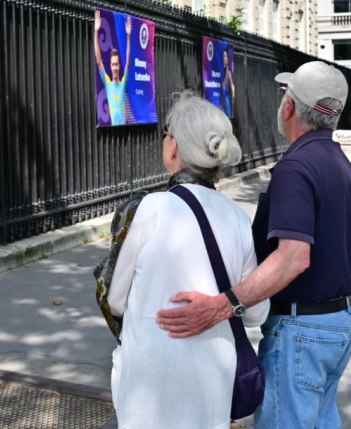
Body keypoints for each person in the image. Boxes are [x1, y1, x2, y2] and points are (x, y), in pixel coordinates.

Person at [156, 61, 351, 429]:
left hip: (304, 331)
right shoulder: (338, 160)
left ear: (289, 107)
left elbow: (294, 257)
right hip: (340, 322)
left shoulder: (297, 167)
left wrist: (224, 305)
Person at [101, 92, 270, 429]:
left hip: (151, 381)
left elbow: (116, 300)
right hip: (213, 380)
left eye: (165, 133)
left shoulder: (149, 208)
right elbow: (256, 313)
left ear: (174, 145)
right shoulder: (237, 218)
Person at [94, 10, 132, 126]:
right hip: (113, 131)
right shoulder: (108, 83)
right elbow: (99, 62)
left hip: (125, 131)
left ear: (119, 66)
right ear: (110, 66)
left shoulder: (123, 83)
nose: (115, 67)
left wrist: (128, 36)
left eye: (116, 64)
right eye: (113, 64)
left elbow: (128, 63)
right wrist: (96, 31)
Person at [221, 48, 236, 118]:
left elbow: (233, 91)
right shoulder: (222, 73)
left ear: (228, 59)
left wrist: (233, 108)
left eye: (224, 56)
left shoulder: (229, 73)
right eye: (222, 56)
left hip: (228, 108)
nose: (223, 59)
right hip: (223, 107)